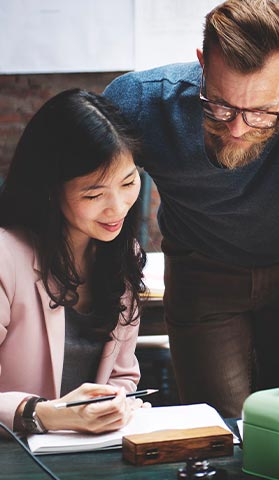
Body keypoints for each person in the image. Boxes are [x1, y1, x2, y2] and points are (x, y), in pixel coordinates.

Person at [103, 0, 279, 417]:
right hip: (201, 273)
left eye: (261, 112)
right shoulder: (139, 102)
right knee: (220, 429)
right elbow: (90, 201)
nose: (238, 127)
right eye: (220, 104)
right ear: (202, 64)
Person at [0, 89, 147, 434]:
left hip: (90, 449)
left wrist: (117, 404)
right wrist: (45, 414)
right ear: (52, 190)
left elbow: (122, 375)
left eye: (128, 182)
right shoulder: (6, 258)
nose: (117, 207)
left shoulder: (124, 254)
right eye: (94, 194)